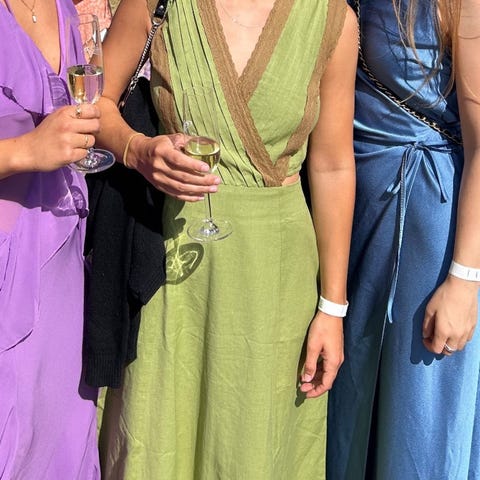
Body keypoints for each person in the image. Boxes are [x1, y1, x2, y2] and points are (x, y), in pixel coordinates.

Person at [92, 0, 357, 478]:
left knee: (252, 446)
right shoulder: (158, 3)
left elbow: (333, 166)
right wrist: (136, 150)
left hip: (274, 280)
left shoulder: (333, 19)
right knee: (157, 441)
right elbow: (95, 100)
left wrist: (332, 308)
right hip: (169, 268)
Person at [327, 1, 480, 478]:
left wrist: (464, 279)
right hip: (351, 225)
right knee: (349, 412)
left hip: (426, 232)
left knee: (416, 426)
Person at [0, 0, 101, 477]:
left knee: (60, 433)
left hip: (62, 260)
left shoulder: (64, 7)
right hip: (7, 271)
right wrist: (25, 151)